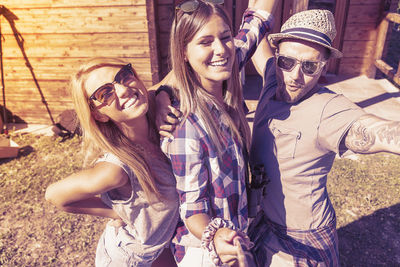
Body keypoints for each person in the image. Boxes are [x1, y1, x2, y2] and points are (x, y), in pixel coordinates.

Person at [248, 9, 400, 266]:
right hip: (263, 222)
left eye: (310, 66)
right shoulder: (273, 81)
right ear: (277, 58)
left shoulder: (329, 109)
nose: (295, 76)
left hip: (302, 237)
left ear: (324, 65)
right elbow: (255, 47)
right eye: (287, 62)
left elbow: (381, 133)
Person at [153, 0, 277, 266]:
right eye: (205, 42)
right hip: (210, 253)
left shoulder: (225, 71)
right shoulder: (186, 126)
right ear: (183, 52)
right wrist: (218, 234)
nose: (220, 49)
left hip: (238, 234)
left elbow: (256, 22)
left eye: (225, 37)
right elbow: (193, 210)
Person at [45, 58, 179, 267]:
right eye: (104, 93)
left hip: (161, 248)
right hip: (129, 259)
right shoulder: (116, 169)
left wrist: (163, 96)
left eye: (124, 76)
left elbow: (179, 72)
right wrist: (116, 212)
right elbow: (54, 196)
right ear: (98, 114)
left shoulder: (152, 115)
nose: (124, 90)